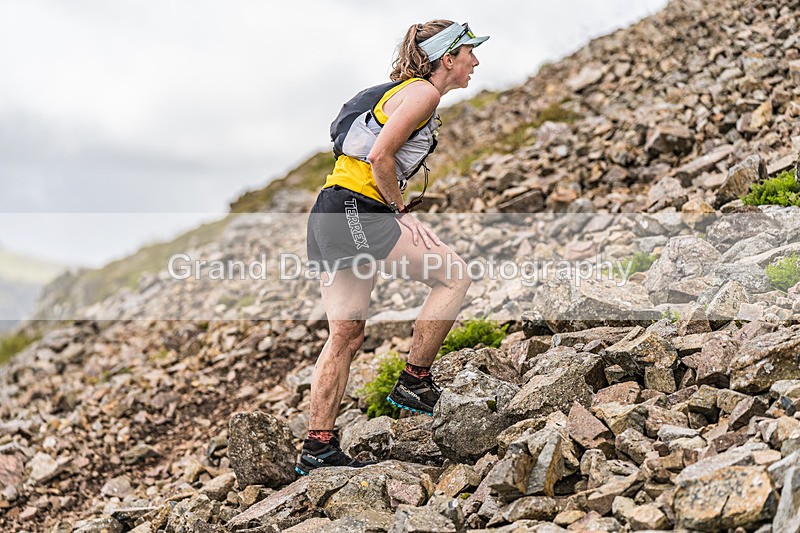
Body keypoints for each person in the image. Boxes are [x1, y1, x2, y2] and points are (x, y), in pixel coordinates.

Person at [295, 20, 488, 476]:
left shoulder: (401, 92)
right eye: (469, 53)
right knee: (454, 275)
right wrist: (401, 212)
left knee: (346, 334)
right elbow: (380, 156)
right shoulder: (423, 94)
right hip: (359, 209)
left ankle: (317, 447)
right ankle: (414, 380)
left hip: (329, 209)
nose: (476, 62)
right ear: (447, 58)